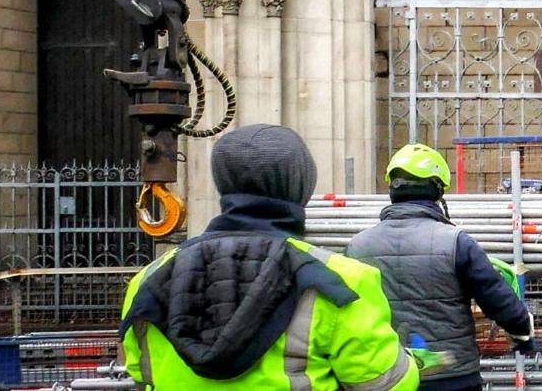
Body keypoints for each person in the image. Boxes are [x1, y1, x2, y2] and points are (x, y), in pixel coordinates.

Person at [120, 124, 417, 391]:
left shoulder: (147, 281)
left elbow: (141, 373)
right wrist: (410, 360)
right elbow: (387, 384)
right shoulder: (341, 282)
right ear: (301, 185)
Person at [347, 143, 535, 391]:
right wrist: (522, 333)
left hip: (386, 376)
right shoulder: (456, 242)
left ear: (392, 188)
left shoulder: (357, 247)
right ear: (437, 191)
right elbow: (497, 298)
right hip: (451, 376)